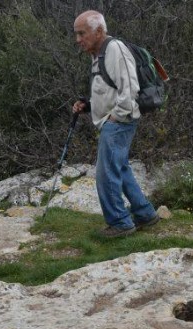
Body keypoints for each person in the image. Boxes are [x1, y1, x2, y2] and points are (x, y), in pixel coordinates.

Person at [72, 10, 160, 238]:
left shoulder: (114, 49)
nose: (78, 40)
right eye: (77, 34)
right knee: (119, 168)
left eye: (82, 33)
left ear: (99, 31)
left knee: (105, 172)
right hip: (116, 118)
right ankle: (145, 213)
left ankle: (120, 223)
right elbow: (109, 90)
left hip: (120, 120)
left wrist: (115, 117)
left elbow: (129, 89)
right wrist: (89, 105)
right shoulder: (99, 53)